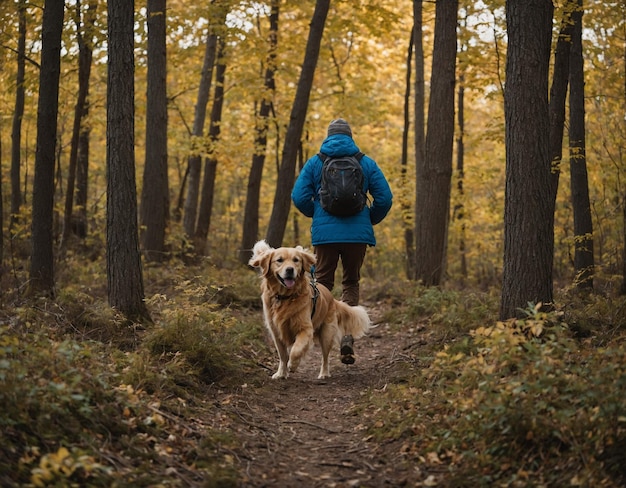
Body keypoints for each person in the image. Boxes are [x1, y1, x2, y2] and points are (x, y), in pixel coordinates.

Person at [291, 118, 393, 363]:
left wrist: (315, 213)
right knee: (351, 282)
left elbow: (298, 195)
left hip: (325, 236)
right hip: (357, 236)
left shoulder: (316, 162)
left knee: (322, 283)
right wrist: (369, 218)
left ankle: (318, 331)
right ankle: (347, 335)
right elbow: (385, 198)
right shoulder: (365, 162)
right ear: (350, 135)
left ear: (328, 136)